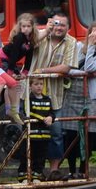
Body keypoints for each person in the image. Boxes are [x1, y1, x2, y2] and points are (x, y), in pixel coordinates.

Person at [28, 12, 77, 177]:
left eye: (63, 24)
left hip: (54, 95)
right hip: (31, 93)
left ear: (68, 27)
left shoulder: (71, 42)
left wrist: (43, 71)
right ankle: (31, 170)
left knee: (56, 133)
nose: (59, 27)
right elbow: (29, 43)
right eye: (56, 23)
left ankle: (54, 170)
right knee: (30, 132)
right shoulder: (42, 35)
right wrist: (44, 31)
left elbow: (67, 67)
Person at [62, 21, 96, 179]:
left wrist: (90, 47)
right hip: (74, 92)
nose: (94, 36)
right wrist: (77, 72)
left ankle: (84, 169)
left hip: (91, 94)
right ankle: (71, 169)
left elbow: (89, 68)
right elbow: (69, 68)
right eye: (92, 33)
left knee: (90, 133)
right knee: (71, 131)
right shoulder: (76, 48)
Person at [17, 77, 54, 183]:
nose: (39, 86)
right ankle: (23, 176)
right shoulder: (28, 100)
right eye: (36, 84)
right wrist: (43, 119)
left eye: (41, 84)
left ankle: (37, 175)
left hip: (44, 135)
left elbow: (52, 112)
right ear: (30, 86)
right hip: (31, 134)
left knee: (41, 156)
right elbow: (28, 113)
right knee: (26, 155)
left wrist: (51, 117)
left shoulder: (47, 99)